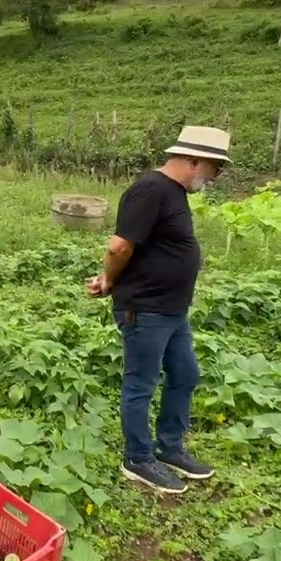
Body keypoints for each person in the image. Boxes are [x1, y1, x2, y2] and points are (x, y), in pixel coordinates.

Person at [85, 125, 231, 495]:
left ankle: (170, 448)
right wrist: (110, 279)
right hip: (146, 309)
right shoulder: (150, 189)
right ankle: (137, 458)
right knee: (142, 383)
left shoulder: (173, 193)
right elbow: (119, 247)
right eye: (215, 168)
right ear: (194, 160)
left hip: (172, 310)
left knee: (185, 374)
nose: (215, 177)